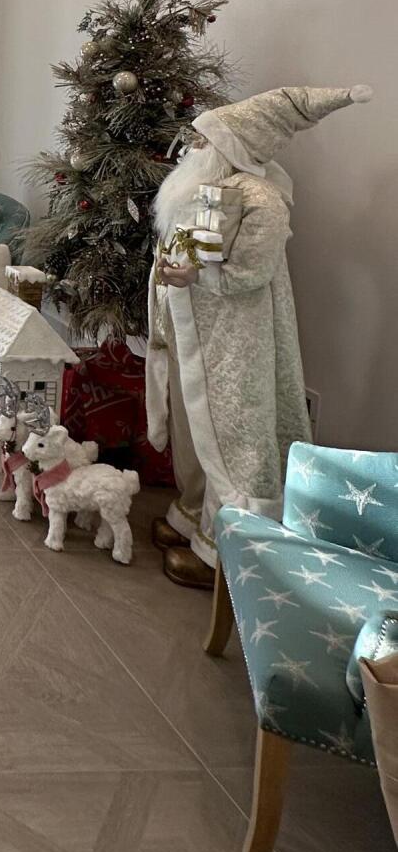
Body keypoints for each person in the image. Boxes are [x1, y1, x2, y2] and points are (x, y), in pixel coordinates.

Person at [145, 84, 373, 588]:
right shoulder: (199, 188)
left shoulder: (261, 198)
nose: (193, 148)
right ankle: (192, 512)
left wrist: (197, 276)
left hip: (234, 340)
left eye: (206, 139)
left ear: (233, 146)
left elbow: (251, 271)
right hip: (190, 332)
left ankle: (225, 550)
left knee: (235, 435)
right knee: (195, 430)